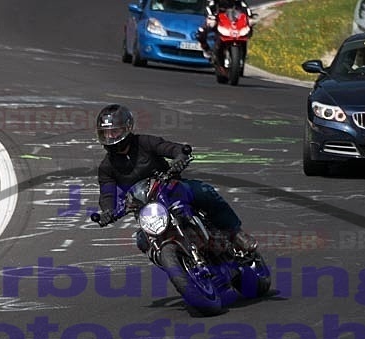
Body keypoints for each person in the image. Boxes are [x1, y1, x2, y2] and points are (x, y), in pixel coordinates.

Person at [94, 104, 257, 254]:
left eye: (114, 132)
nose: (110, 137)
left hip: (172, 189)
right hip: (146, 207)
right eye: (105, 133)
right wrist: (108, 212)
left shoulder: (145, 142)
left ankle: (236, 233)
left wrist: (180, 157)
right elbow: (107, 193)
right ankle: (179, 265)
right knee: (142, 241)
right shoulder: (106, 167)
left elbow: (171, 148)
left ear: (127, 128)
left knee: (204, 192)